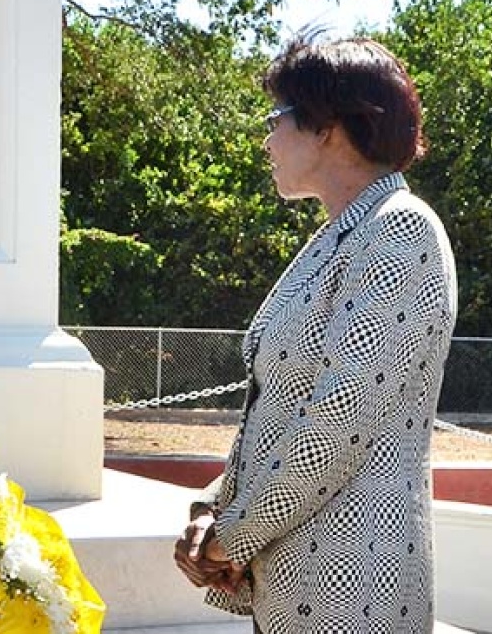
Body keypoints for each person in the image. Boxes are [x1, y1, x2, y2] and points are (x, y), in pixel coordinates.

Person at [174, 37, 458, 634]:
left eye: (276, 119)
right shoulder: (343, 236)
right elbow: (279, 410)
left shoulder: (399, 229)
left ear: (326, 126)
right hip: (294, 581)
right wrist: (214, 509)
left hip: (353, 586)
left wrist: (230, 536)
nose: (267, 140)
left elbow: (338, 418)